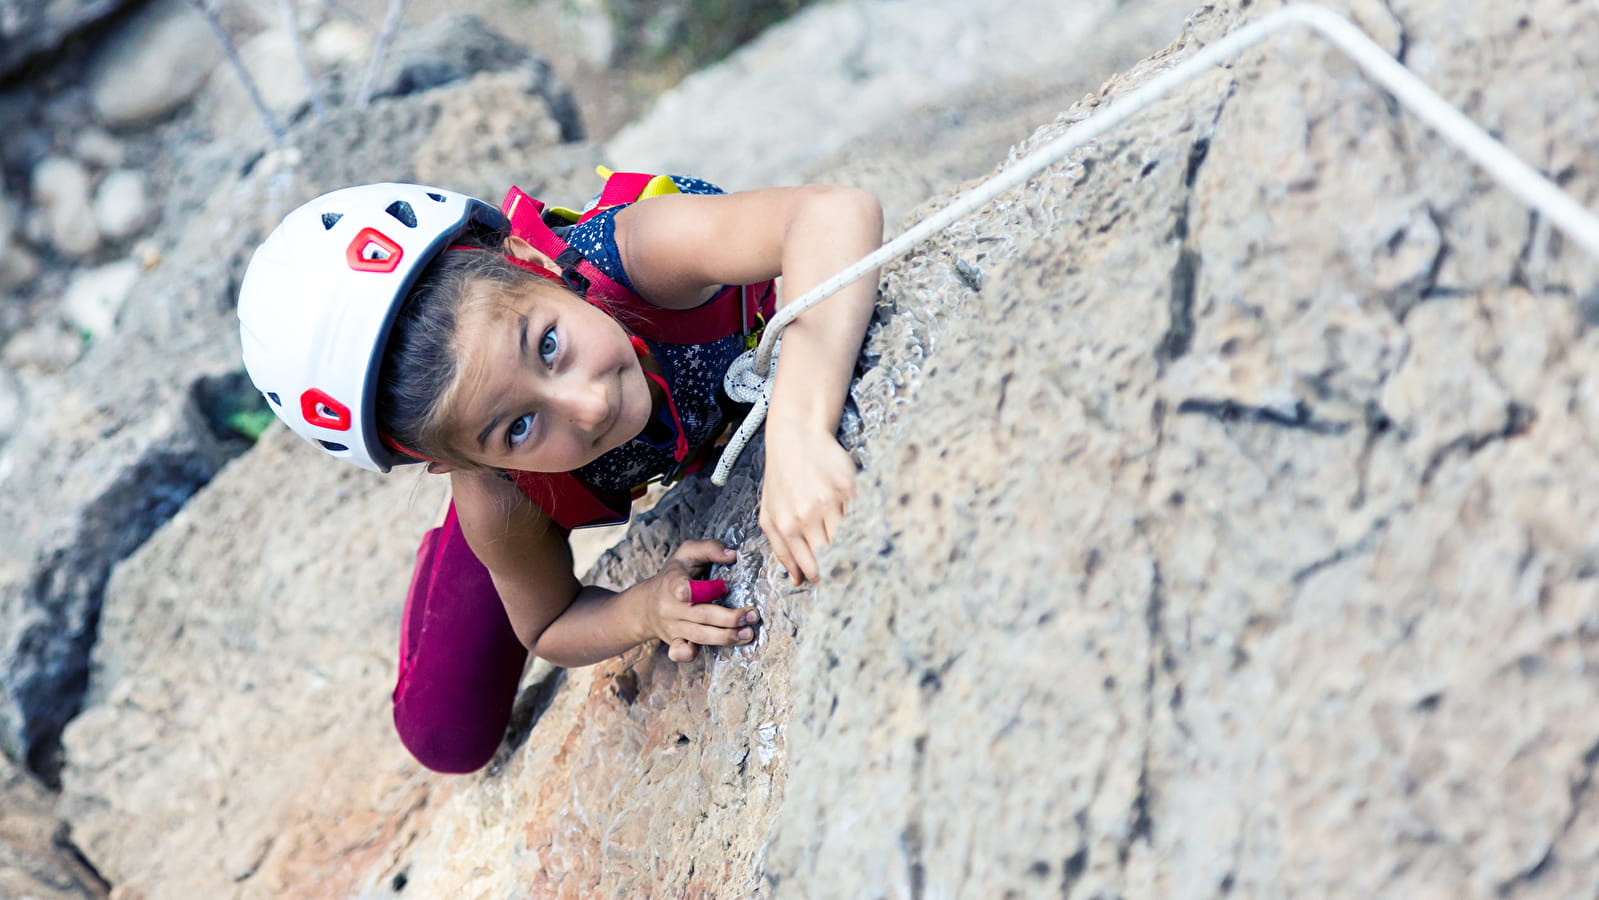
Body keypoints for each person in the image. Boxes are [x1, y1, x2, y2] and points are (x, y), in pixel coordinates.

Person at [237, 173, 883, 772]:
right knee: (446, 734)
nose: (589, 403)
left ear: (537, 261)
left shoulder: (642, 253)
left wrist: (797, 426)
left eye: (548, 345)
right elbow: (547, 624)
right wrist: (643, 611)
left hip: (617, 417)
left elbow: (831, 213)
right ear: (450, 465)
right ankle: (457, 547)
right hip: (522, 493)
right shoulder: (496, 495)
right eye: (517, 425)